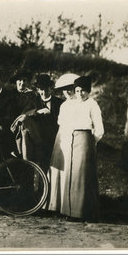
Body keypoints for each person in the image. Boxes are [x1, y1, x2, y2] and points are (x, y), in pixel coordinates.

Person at [44, 75, 104, 222]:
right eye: (77, 91)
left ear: (88, 91)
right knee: (71, 175)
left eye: (83, 91)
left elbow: (99, 129)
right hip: (72, 138)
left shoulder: (92, 104)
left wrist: (91, 141)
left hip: (85, 139)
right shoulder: (72, 104)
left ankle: (82, 212)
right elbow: (65, 122)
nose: (80, 94)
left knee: (81, 176)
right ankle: (68, 210)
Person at [13, 74, 63, 170]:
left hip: (56, 139)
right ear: (38, 90)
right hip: (40, 142)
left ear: (50, 88)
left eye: (46, 89)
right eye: (41, 89)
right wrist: (37, 112)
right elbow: (24, 115)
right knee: (42, 169)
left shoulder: (59, 103)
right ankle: (42, 184)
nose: (43, 92)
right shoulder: (34, 102)